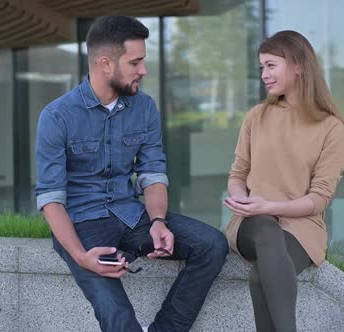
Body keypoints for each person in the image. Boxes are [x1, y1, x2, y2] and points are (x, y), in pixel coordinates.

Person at [35, 15, 228, 332]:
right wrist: (81, 257)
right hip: (83, 225)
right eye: (136, 62)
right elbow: (51, 199)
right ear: (106, 64)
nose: (144, 70)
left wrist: (158, 222)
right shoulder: (57, 116)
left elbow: (152, 174)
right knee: (117, 315)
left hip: (131, 214)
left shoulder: (144, 108)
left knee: (212, 244)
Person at [223, 30, 344, 332]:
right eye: (261, 68)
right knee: (267, 228)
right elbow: (238, 174)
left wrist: (270, 204)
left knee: (260, 276)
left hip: (302, 228)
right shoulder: (256, 116)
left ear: (298, 65)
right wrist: (242, 199)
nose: (264, 75)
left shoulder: (332, 129)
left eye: (271, 66)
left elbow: (319, 199)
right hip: (252, 223)